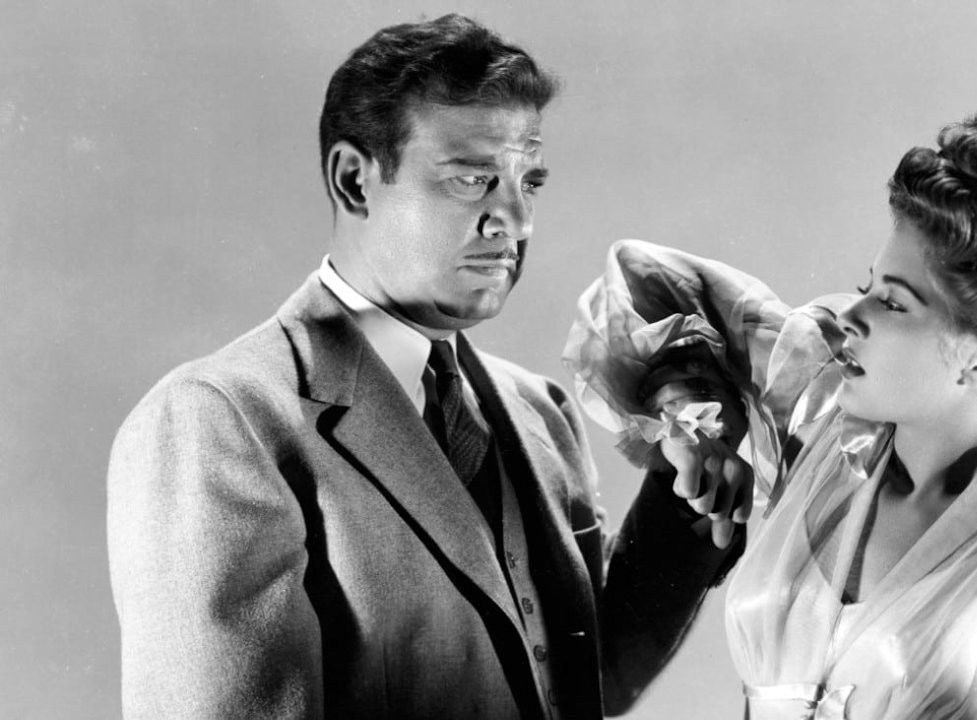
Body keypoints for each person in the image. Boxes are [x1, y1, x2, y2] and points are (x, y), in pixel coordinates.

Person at [106, 15, 748, 720]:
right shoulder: (220, 421)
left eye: (529, 182)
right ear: (355, 181)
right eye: (472, 179)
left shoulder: (540, 411)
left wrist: (684, 495)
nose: (516, 221)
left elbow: (585, 681)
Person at [564, 116, 977, 719]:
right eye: (867, 288)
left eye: (892, 303)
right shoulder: (821, 421)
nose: (850, 317)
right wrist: (694, 427)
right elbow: (645, 280)